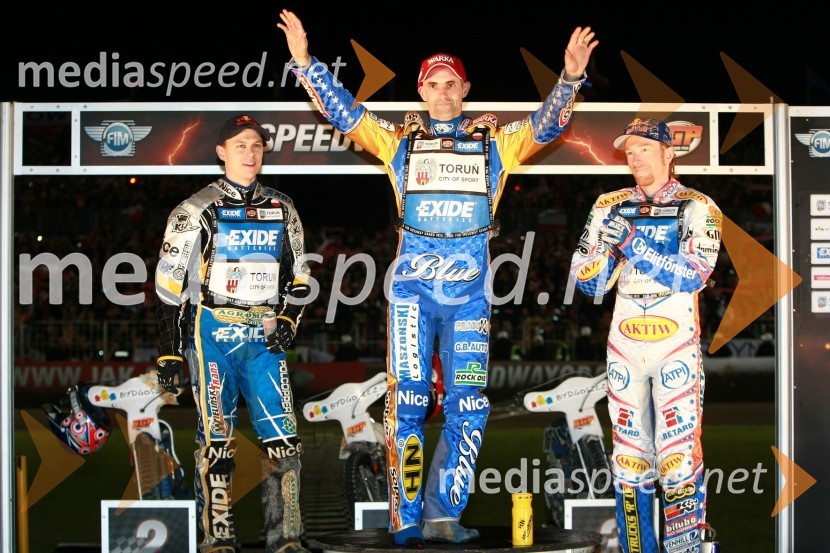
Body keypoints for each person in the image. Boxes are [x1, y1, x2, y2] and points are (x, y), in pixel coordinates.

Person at [279, 10, 598, 546]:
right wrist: (306, 64)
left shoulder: (493, 142)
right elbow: (348, 114)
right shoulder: (398, 139)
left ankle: (444, 513)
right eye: (434, 84)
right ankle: (404, 519)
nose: (444, 93)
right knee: (406, 402)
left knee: (469, 406)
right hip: (411, 295)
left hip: (470, 296)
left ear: (465, 89)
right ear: (421, 90)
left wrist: (568, 81)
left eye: (452, 84)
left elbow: (547, 125)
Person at [154, 114, 313, 553]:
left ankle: (287, 539)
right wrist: (169, 352)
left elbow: (300, 275)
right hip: (212, 337)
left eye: (257, 145)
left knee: (284, 441)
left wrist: (288, 319)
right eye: (240, 145)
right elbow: (168, 288)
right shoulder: (194, 210)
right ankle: (218, 539)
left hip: (264, 338)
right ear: (222, 152)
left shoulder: (283, 207)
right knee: (217, 443)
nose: (250, 152)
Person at [568, 117, 722, 552]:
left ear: (668, 152)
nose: (634, 157)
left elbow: (694, 275)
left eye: (643, 149)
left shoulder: (698, 206)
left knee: (676, 459)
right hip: (625, 345)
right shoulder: (608, 204)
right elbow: (586, 282)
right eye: (628, 150)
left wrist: (634, 243)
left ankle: (685, 547)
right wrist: (611, 253)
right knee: (630, 462)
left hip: (676, 347)